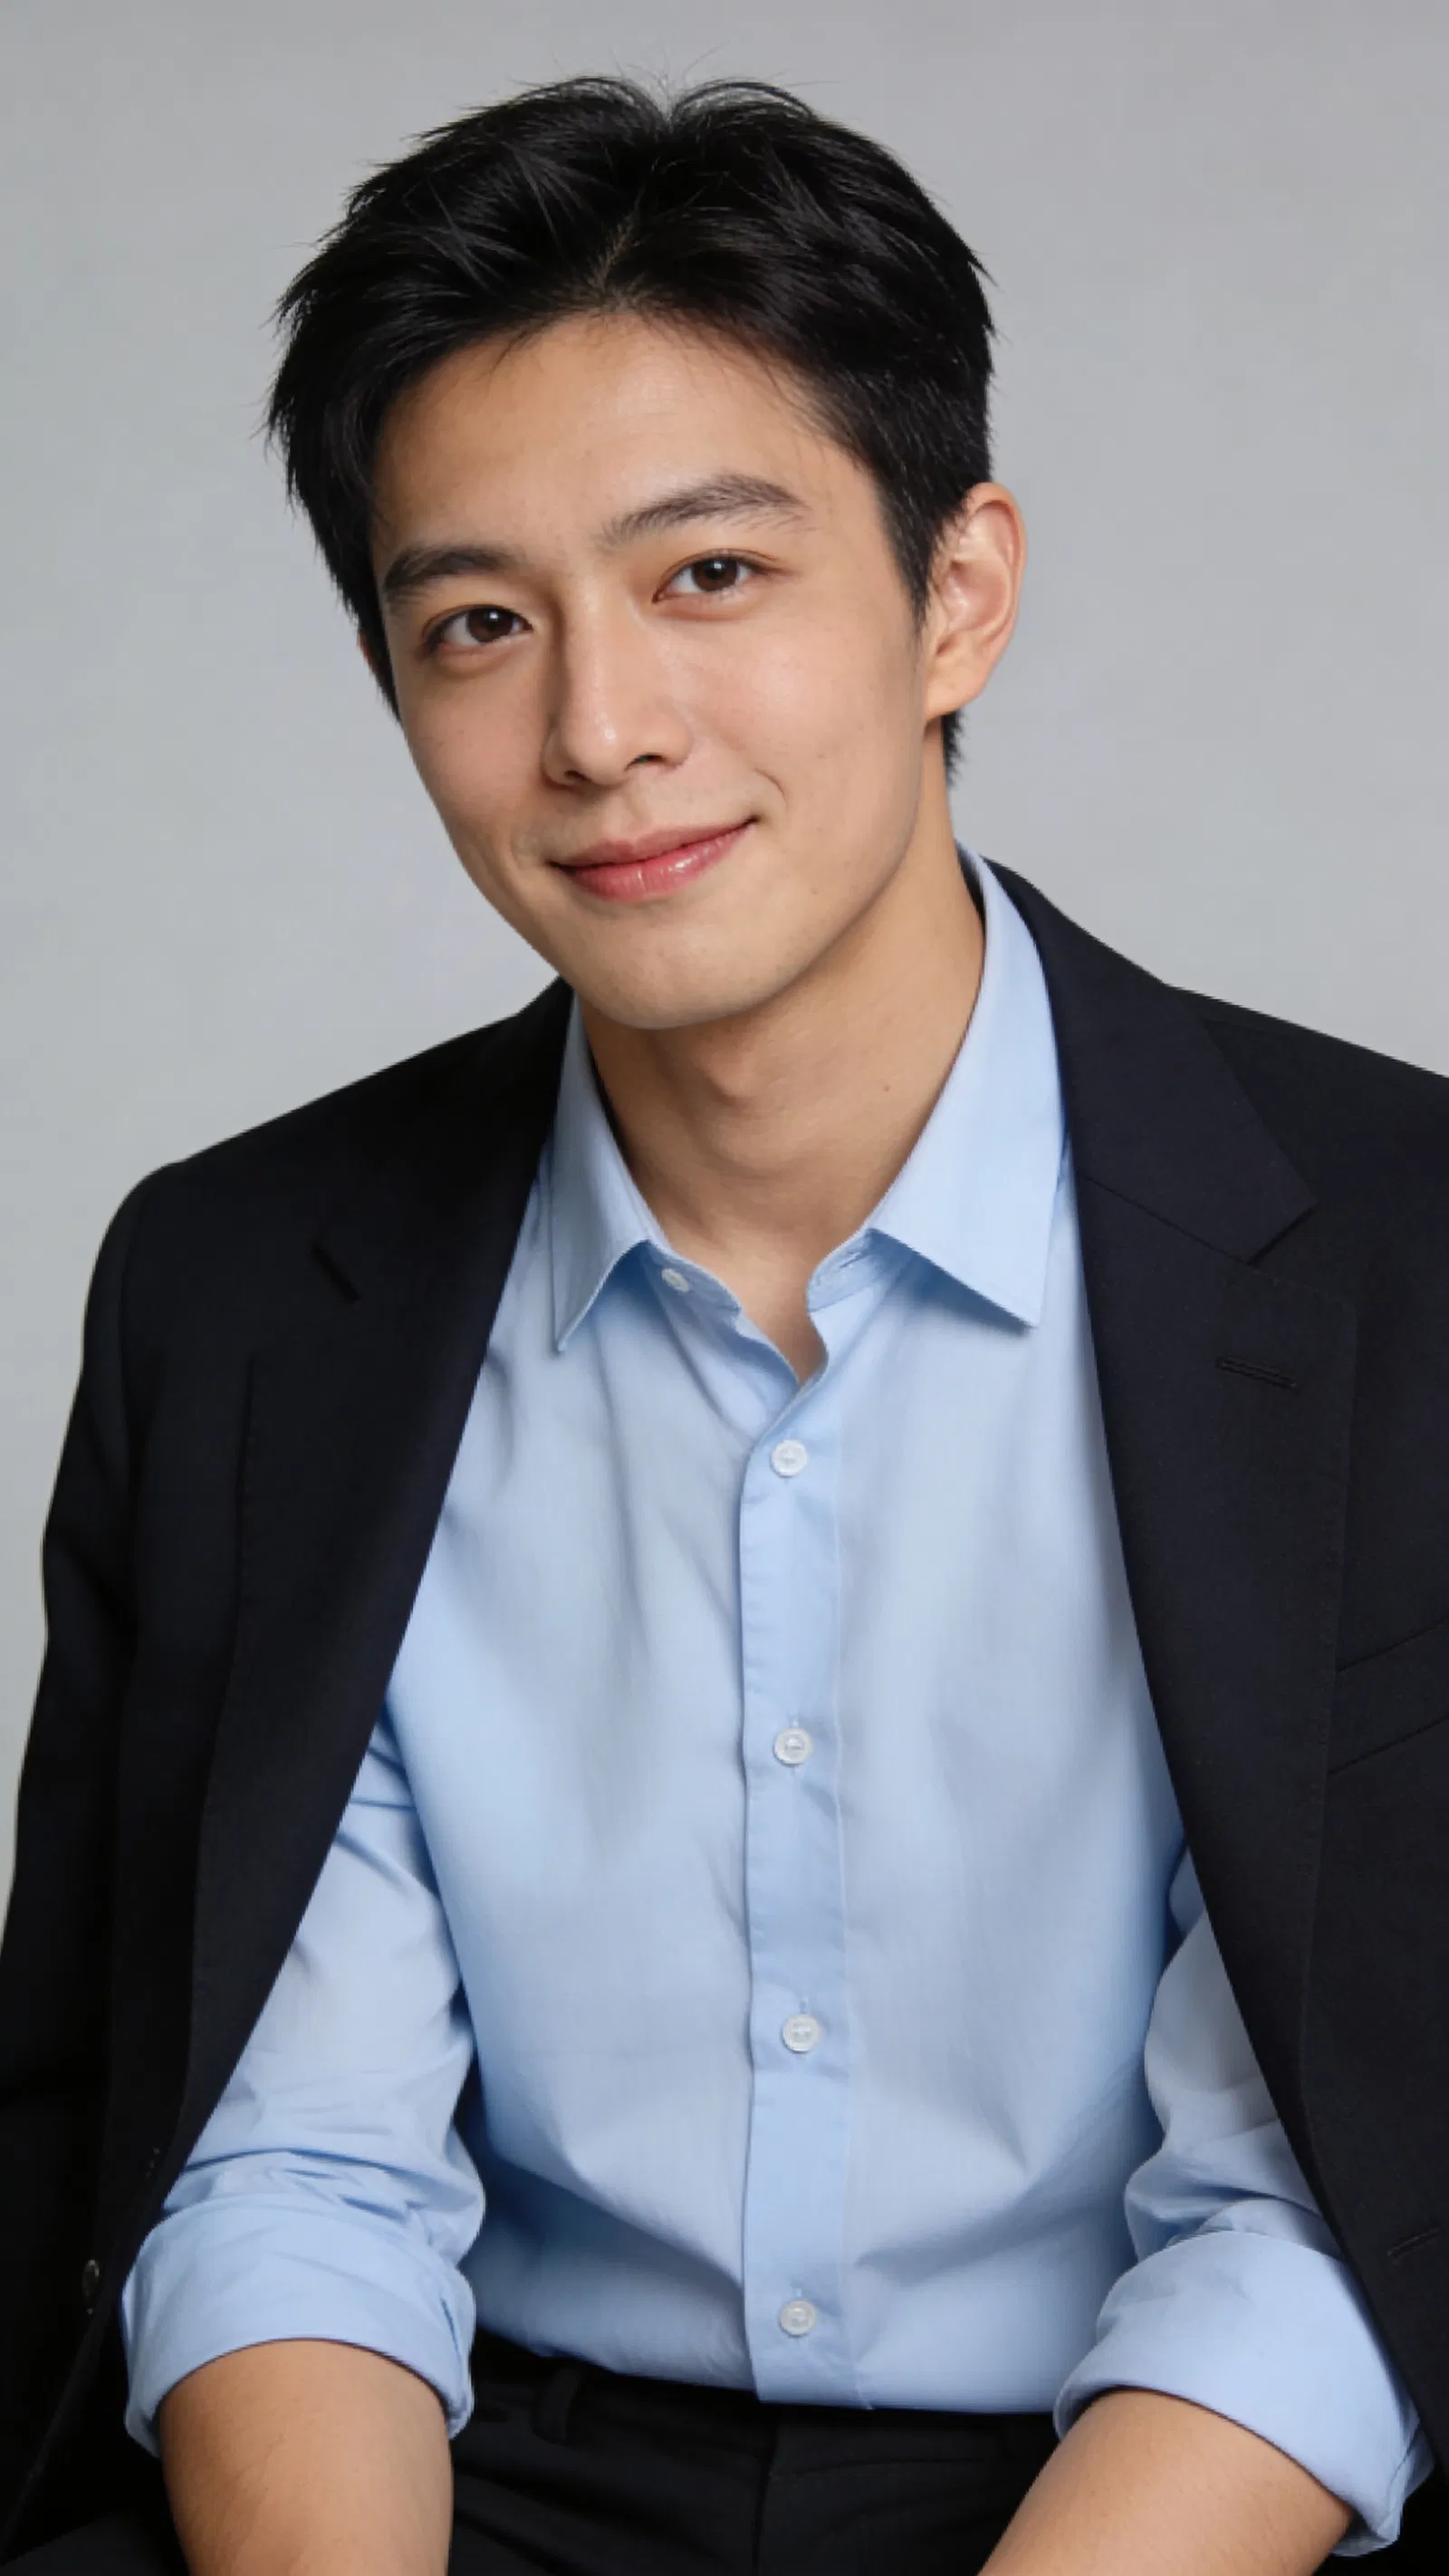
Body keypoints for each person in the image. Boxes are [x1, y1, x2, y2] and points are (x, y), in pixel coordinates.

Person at [0, 72, 1445, 2576]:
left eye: (707, 578)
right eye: (477, 624)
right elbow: (286, 2166)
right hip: (469, 2474)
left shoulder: (1407, 1254)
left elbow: (1328, 2212)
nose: (595, 731)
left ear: (958, 590)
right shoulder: (239, 1294)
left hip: (1184, 2490)